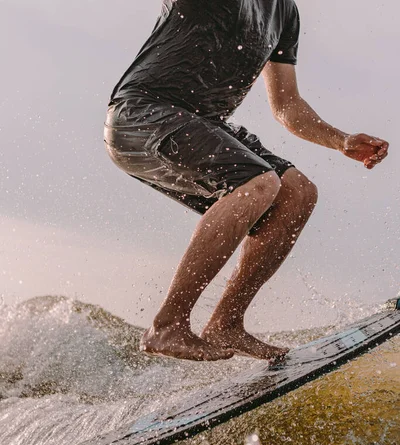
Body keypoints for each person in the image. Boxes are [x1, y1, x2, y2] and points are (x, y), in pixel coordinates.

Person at [104, 0, 389, 362]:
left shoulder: (284, 13)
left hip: (201, 123)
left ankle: (226, 322)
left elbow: (286, 105)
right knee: (258, 182)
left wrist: (341, 140)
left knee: (298, 192)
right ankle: (168, 324)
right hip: (143, 113)